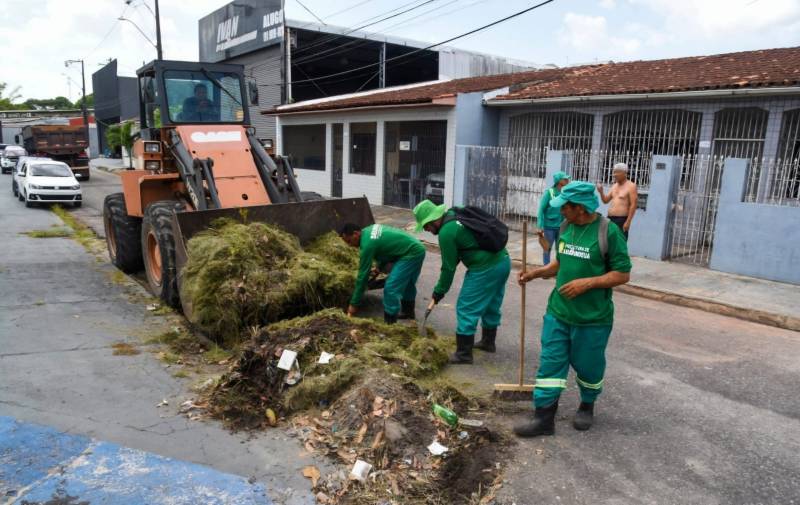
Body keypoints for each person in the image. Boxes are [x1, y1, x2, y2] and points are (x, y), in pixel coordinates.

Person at [514, 181, 631, 437]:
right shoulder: (566, 226)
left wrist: (587, 283)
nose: (559, 212)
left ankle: (587, 405)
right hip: (558, 312)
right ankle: (543, 418)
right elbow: (560, 263)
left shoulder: (608, 232)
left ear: (579, 207)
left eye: (563, 207)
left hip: (592, 319)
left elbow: (622, 274)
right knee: (550, 364)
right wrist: (535, 274)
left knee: (588, 367)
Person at [413, 200, 511, 364]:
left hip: (485, 268)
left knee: (466, 307)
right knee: (491, 303)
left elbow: (448, 268)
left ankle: (463, 353)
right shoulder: (454, 213)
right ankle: (488, 342)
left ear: (433, 219)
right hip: (503, 261)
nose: (427, 230)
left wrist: (438, 292)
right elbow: (460, 251)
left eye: (426, 226)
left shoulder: (446, 233)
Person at [340, 223, 426, 324]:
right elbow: (386, 248)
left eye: (349, 241)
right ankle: (408, 312)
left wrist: (353, 304)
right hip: (416, 247)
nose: (350, 245)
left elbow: (363, 276)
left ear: (355, 234)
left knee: (391, 288)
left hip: (410, 253)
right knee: (407, 283)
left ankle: (390, 324)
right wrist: (379, 267)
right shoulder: (368, 230)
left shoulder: (367, 245)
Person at [597, 162, 638, 240]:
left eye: (617, 172)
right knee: (608, 241)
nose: (614, 174)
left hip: (621, 220)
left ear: (624, 173)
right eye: (614, 172)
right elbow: (605, 201)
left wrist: (628, 221)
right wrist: (601, 192)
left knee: (620, 241)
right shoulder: (614, 186)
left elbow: (633, 204)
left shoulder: (631, 186)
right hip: (609, 219)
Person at [537, 171, 570, 264]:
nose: (567, 180)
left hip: (562, 226)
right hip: (549, 227)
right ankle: (546, 269)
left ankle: (559, 268)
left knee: (561, 249)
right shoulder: (549, 193)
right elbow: (541, 210)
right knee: (547, 248)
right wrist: (539, 226)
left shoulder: (565, 192)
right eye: (565, 179)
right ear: (559, 181)